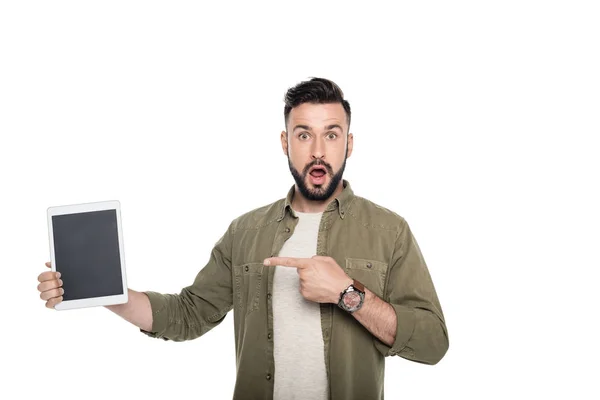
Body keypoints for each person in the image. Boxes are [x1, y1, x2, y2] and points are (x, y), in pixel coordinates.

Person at [37, 77, 449, 400]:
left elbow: (432, 343)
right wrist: (102, 290)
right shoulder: (246, 232)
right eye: (304, 135)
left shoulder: (389, 231)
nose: (318, 150)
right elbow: (188, 314)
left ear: (350, 144)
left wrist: (347, 293)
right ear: (286, 143)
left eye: (332, 134)